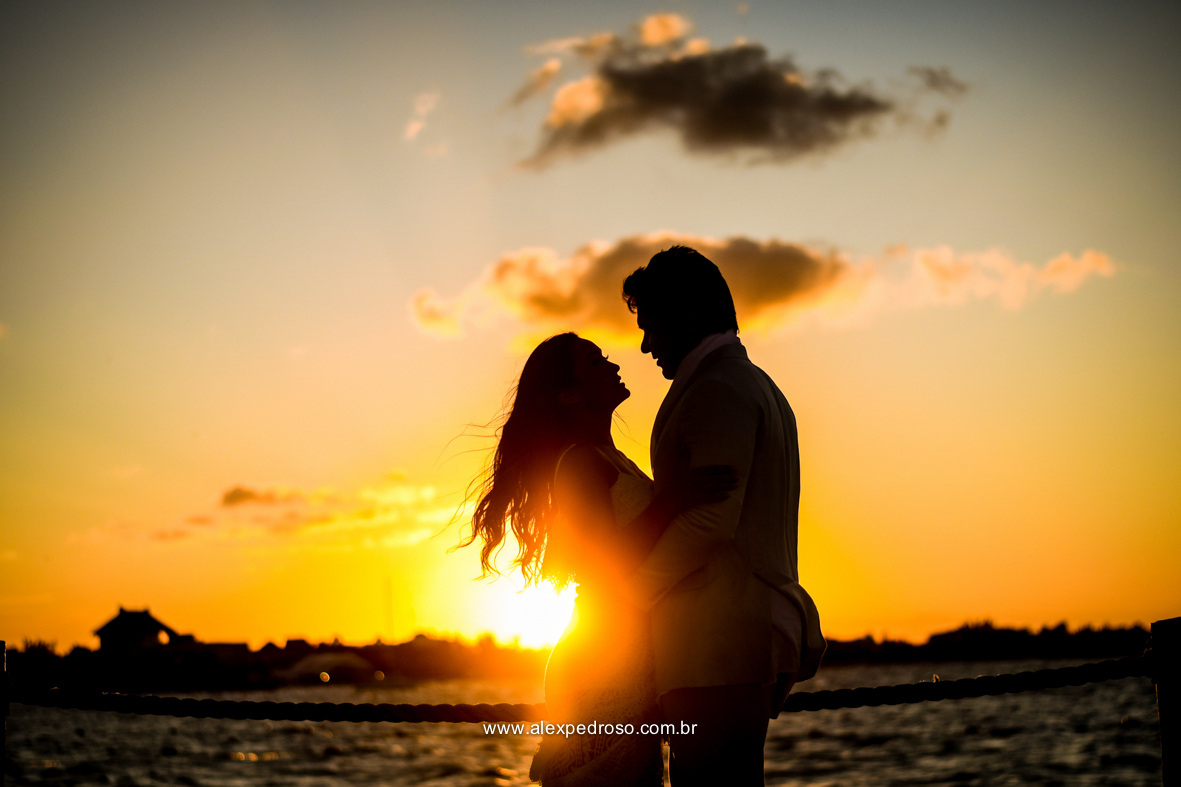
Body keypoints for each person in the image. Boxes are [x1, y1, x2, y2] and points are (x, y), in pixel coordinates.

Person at [459, 332, 737, 786]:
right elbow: (605, 564)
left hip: (626, 658)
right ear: (569, 393)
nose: (612, 365)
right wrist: (671, 500)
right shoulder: (579, 464)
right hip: (602, 664)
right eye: (595, 362)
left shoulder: (609, 457)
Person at [620, 246, 826, 787]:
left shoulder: (716, 390)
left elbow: (709, 524)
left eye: (651, 326)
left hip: (720, 644)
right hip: (734, 641)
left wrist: (624, 600)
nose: (645, 346)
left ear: (685, 317)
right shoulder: (753, 384)